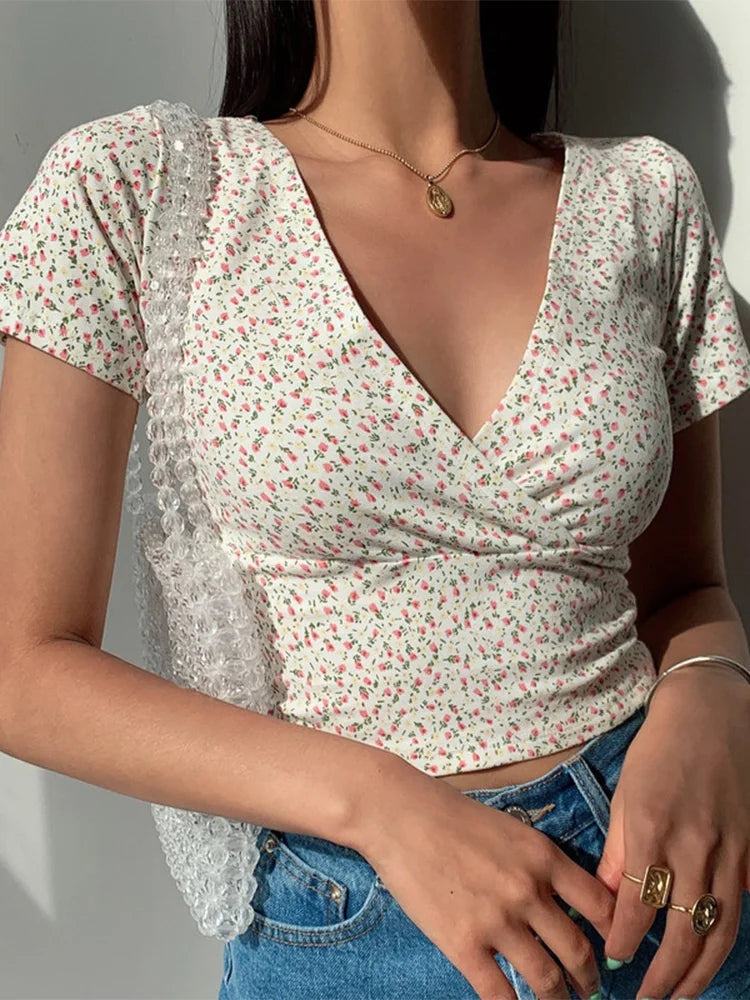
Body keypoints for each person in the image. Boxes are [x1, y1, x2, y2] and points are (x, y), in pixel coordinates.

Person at [2, 2, 750, 999]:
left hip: (661, 898)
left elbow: (688, 588)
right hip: (348, 929)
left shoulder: (645, 198)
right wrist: (382, 806)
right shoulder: (140, 187)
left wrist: (713, 697)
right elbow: (22, 668)